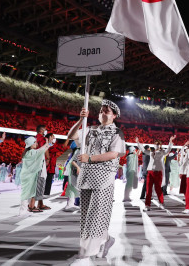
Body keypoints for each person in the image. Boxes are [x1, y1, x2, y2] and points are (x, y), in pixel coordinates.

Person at [69, 99, 126, 265]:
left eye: (107, 111)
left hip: (104, 177)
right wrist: (81, 120)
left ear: (114, 115)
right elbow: (71, 136)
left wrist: (90, 158)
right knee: (87, 216)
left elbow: (114, 154)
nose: (103, 113)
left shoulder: (117, 133)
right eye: (101, 110)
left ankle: (86, 254)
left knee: (96, 214)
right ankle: (106, 239)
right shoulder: (90, 128)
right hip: (87, 176)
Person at [137, 135, 175, 211]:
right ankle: (147, 205)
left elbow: (168, 149)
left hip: (158, 172)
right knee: (148, 190)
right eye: (155, 143)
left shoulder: (162, 152)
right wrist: (138, 142)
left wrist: (170, 141)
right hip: (150, 172)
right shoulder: (151, 152)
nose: (156, 145)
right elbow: (143, 150)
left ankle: (161, 203)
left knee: (158, 189)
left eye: (158, 144)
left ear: (160, 145)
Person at [19, 135, 52, 215]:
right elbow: (41, 150)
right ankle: (22, 211)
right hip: (28, 176)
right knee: (26, 193)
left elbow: (41, 150)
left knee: (28, 192)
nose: (36, 143)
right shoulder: (31, 152)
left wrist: (48, 144)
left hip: (29, 175)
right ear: (31, 144)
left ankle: (25, 209)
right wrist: (48, 143)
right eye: (34, 142)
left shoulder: (29, 152)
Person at [44, 133, 71, 197]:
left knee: (48, 180)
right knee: (47, 181)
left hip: (51, 166)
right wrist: (68, 139)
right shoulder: (48, 146)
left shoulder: (51, 145)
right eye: (53, 137)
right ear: (49, 138)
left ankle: (45, 193)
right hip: (47, 167)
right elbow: (62, 147)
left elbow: (62, 147)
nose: (54, 138)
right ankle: (44, 194)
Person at [34, 125, 50, 211]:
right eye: (45, 130)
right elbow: (45, 149)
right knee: (41, 180)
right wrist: (48, 158)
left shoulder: (34, 138)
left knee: (38, 181)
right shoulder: (43, 139)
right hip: (41, 161)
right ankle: (34, 204)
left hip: (35, 161)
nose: (46, 131)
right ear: (42, 130)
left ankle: (40, 203)